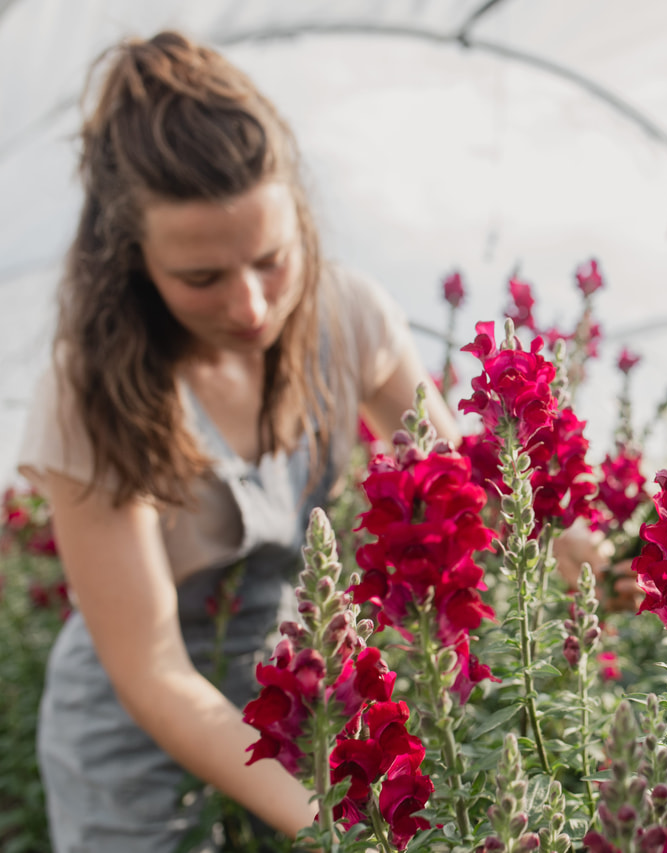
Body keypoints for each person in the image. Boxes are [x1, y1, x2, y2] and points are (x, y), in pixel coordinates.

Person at [15, 31, 462, 851]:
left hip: (294, 705)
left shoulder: (346, 317)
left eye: (271, 259)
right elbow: (153, 673)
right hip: (134, 746)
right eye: (202, 278)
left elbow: (464, 489)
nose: (253, 306)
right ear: (132, 260)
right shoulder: (94, 390)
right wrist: (336, 828)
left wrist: (577, 543)